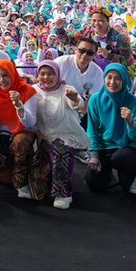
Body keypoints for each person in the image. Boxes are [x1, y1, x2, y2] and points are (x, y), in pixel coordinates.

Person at [34, 61, 90, 209]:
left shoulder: (66, 89)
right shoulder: (34, 90)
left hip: (65, 133)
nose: (46, 77)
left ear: (57, 74)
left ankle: (63, 193)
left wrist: (74, 99)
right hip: (42, 134)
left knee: (60, 149)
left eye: (51, 73)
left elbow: (79, 105)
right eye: (42, 74)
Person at [86, 63, 136, 196]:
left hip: (130, 145)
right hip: (105, 146)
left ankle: (134, 172)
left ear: (124, 80)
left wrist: (130, 122)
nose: (113, 82)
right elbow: (92, 129)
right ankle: (107, 171)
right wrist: (94, 155)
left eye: (118, 78)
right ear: (104, 78)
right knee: (94, 183)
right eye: (109, 77)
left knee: (122, 158)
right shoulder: (95, 100)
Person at [0, 60, 43, 200]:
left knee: (20, 142)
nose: (1, 80)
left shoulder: (27, 90)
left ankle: (21, 183)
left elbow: (31, 122)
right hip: (2, 138)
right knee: (4, 179)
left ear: (13, 73)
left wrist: (19, 106)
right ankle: (12, 166)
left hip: (23, 133)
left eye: (5, 75)